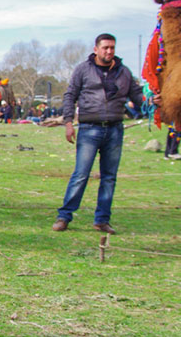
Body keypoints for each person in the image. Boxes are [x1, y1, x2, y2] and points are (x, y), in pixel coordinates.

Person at [52, 33, 144, 234]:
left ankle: (102, 219)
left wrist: (153, 101)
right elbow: (70, 96)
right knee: (80, 175)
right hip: (89, 129)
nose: (109, 51)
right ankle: (64, 216)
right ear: (96, 49)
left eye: (112, 47)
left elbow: (137, 96)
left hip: (114, 129)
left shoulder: (124, 72)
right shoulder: (83, 70)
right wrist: (68, 122)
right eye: (105, 48)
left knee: (109, 177)